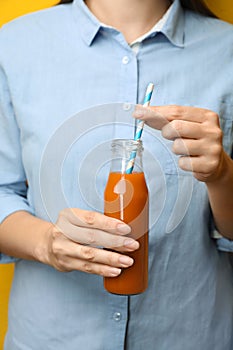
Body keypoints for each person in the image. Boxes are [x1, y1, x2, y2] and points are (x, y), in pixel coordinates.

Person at [0, 0, 233, 349]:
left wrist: (222, 174)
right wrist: (47, 243)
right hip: (52, 337)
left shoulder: (225, 51)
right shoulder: (17, 43)